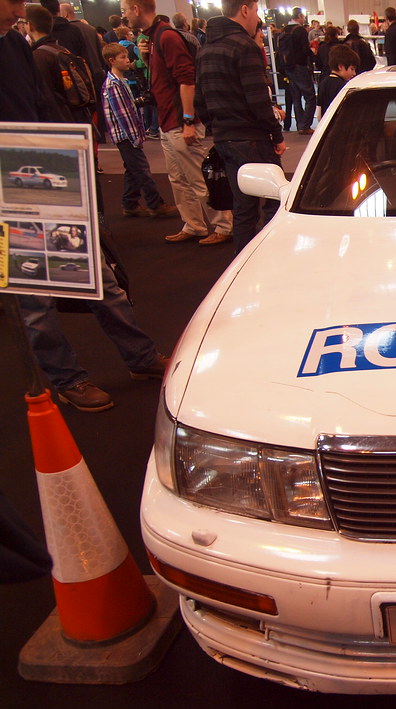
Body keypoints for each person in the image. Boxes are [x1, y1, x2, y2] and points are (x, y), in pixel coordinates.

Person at [2, 0, 168, 412]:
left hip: (43, 173)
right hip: (8, 192)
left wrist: (63, 168)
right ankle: (68, 379)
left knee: (101, 277)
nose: (21, 6)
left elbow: (44, 109)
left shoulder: (15, 44)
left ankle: (141, 357)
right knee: (34, 298)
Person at [124, 0, 233, 246]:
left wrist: (187, 121)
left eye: (124, 10)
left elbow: (187, 80)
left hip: (179, 120)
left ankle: (224, 226)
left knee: (198, 177)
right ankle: (194, 225)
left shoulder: (167, 37)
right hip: (167, 121)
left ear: (136, 9)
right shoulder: (152, 39)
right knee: (178, 179)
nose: (124, 16)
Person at [195, 0, 286, 255]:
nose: (257, 18)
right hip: (252, 138)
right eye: (256, 11)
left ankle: (242, 263)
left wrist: (219, 129)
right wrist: (276, 134)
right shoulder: (244, 46)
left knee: (243, 207)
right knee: (273, 200)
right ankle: (270, 256)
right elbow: (258, 101)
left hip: (225, 140)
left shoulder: (206, 49)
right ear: (244, 9)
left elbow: (200, 102)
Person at [100, 42, 176, 218]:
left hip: (127, 135)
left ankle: (130, 203)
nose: (128, 60)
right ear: (112, 60)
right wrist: (136, 137)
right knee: (142, 170)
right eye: (123, 57)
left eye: (127, 56)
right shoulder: (113, 85)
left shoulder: (121, 81)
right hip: (126, 136)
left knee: (132, 169)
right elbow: (123, 116)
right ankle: (155, 204)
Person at [278, 7, 316, 135]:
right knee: (310, 96)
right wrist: (313, 53)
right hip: (300, 66)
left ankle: (300, 123)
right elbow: (305, 50)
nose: (304, 19)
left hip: (288, 67)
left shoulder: (284, 30)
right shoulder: (300, 30)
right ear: (299, 16)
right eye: (303, 16)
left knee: (296, 97)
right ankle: (305, 125)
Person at [317, 41, 358, 114]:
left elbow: (319, 111)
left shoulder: (323, 83)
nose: (354, 73)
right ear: (340, 67)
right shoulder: (343, 86)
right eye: (352, 69)